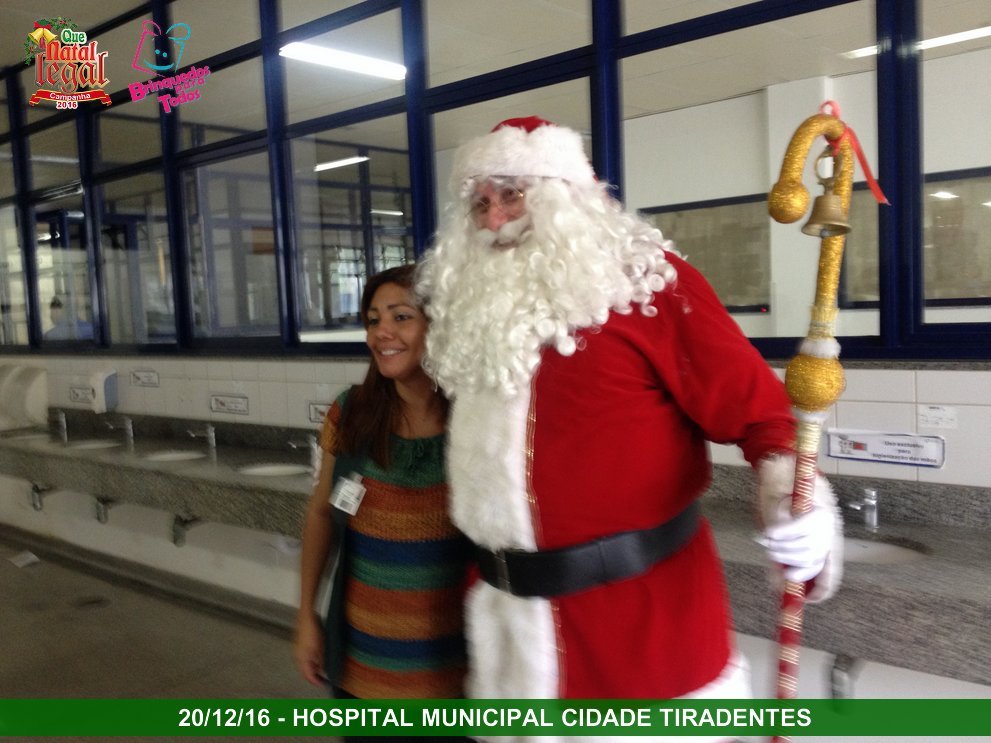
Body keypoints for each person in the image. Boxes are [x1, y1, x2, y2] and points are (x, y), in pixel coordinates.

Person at [416, 116, 842, 708]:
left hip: (642, 632)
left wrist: (797, 505)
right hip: (508, 637)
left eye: (511, 195)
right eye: (480, 203)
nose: (492, 220)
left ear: (564, 196)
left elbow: (762, 416)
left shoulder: (651, 286)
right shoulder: (474, 316)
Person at [293, 264, 470, 700]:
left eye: (401, 317)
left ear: (439, 325)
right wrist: (306, 615)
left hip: (455, 677)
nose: (381, 333)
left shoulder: (474, 420)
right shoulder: (352, 413)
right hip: (362, 670)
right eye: (373, 321)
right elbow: (321, 513)